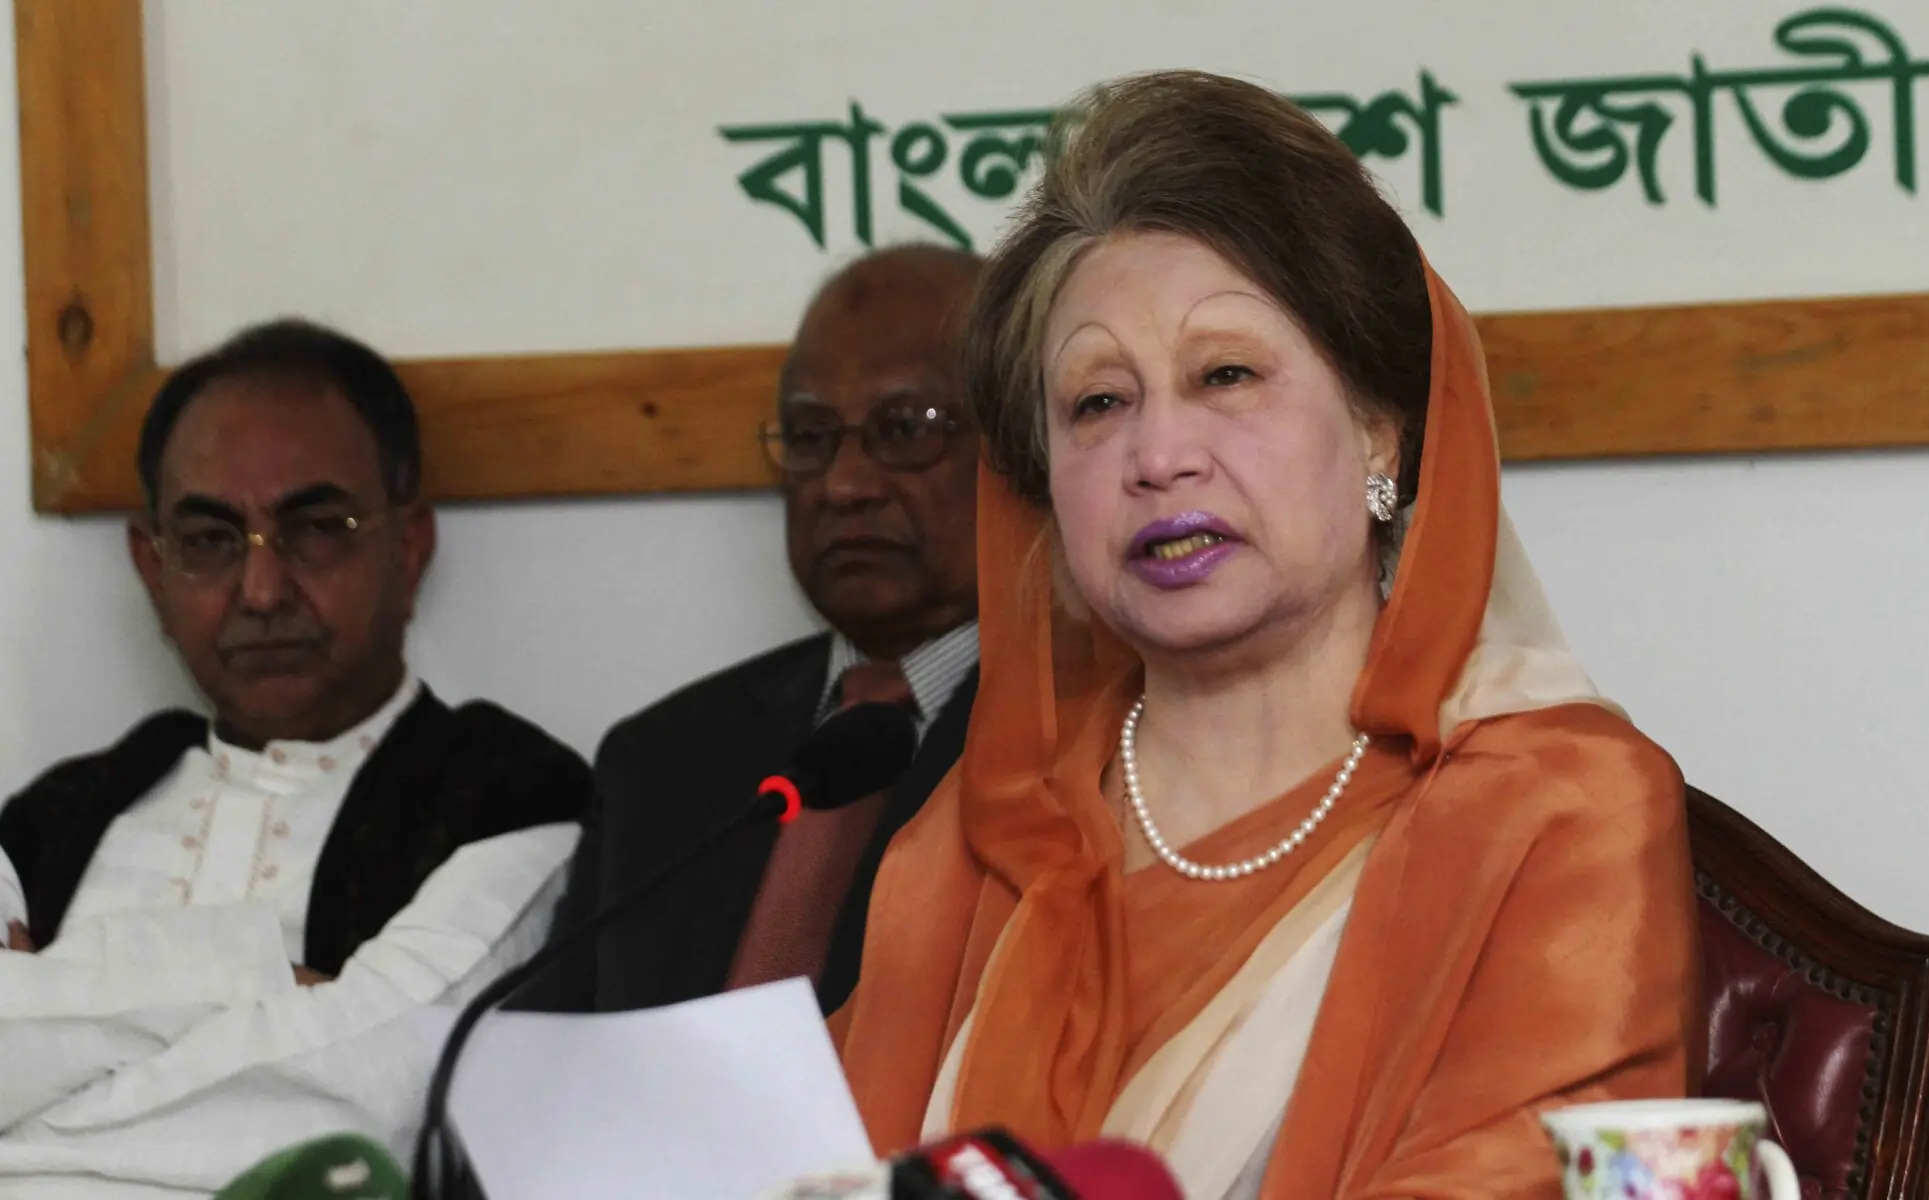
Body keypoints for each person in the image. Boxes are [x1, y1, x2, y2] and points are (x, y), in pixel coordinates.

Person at [833, 73, 1701, 1199]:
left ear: (1381, 432)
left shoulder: (1554, 809)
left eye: (1224, 375)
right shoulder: (981, 827)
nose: (1157, 455)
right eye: (1097, 402)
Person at [0, 319, 591, 1197]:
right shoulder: (51, 818)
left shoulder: (512, 795)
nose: (263, 589)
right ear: (150, 568)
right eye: (209, 540)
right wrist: (260, 974)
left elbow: (374, 1098)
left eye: (317, 527)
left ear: (410, 545)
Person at [522, 244, 983, 1016]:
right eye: (809, 436)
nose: (844, 484)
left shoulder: (1101, 739)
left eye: (907, 429)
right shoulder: (659, 762)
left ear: (1029, 448)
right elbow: (551, 1056)